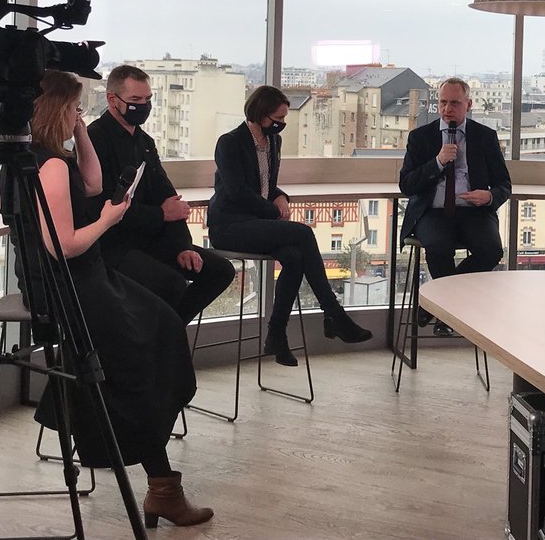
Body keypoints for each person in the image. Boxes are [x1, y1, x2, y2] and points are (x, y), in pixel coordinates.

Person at [18, 70, 211, 528]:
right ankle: (163, 486)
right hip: (75, 283)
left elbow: (90, 182)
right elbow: (63, 245)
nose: (77, 116)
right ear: (54, 111)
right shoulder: (48, 166)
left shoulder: (54, 158)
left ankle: (160, 481)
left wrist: (81, 133)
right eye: (72, 110)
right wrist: (107, 220)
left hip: (93, 275)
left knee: (161, 325)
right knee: (138, 360)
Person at [207, 85, 371, 364]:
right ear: (260, 113)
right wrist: (273, 210)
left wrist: (281, 196)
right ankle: (334, 313)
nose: (281, 124)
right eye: (277, 118)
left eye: (284, 119)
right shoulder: (229, 142)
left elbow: (265, 185)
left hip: (257, 223)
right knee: (303, 233)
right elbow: (237, 191)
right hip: (229, 226)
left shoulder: (273, 142)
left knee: (295, 257)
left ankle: (276, 336)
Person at [87, 65, 234, 324]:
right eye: (135, 100)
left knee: (220, 271)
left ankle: (165, 338)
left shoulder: (145, 142)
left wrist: (182, 247)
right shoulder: (95, 139)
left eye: (148, 100)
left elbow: (168, 198)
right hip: (114, 245)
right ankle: (159, 344)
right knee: (172, 284)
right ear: (112, 99)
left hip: (151, 238)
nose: (143, 106)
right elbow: (105, 207)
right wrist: (160, 214)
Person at [399, 78, 511, 336]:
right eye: (443, 102)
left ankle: (435, 304)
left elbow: (504, 184)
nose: (448, 109)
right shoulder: (421, 137)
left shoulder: (485, 137)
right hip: (434, 211)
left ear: (468, 105)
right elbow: (406, 184)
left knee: (491, 250)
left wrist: (489, 196)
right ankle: (447, 310)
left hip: (473, 211)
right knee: (438, 248)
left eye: (455, 103)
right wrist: (437, 162)